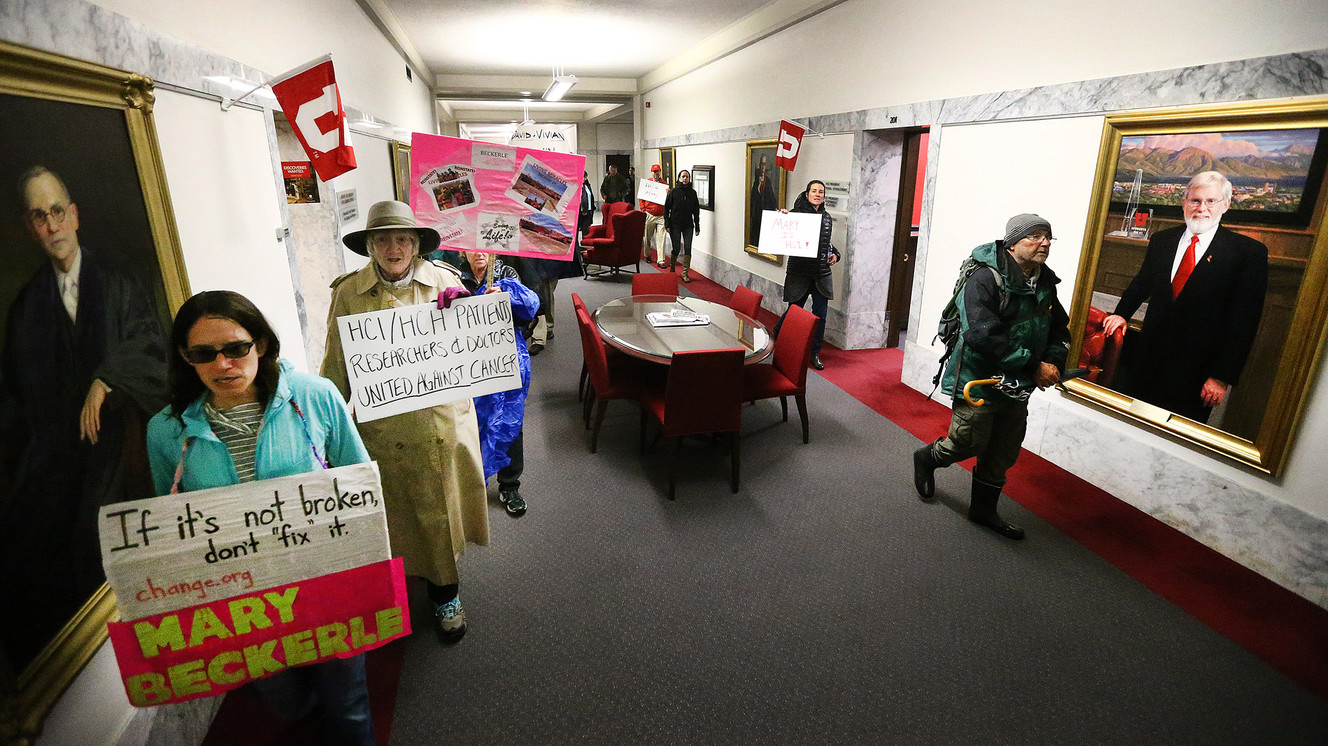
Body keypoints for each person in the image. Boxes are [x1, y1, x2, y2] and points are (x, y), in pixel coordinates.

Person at [146, 290, 375, 745]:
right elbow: (171, 521)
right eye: (204, 353)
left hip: (323, 578)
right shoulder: (166, 431)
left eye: (236, 348)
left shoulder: (315, 396)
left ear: (261, 345)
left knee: (347, 707)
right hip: (242, 598)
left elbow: (359, 480)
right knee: (283, 699)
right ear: (185, 357)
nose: (223, 364)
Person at [0, 165, 169, 671]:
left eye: (57, 211)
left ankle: (116, 658)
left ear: (73, 215)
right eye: (39, 216)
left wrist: (107, 378)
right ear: (31, 227)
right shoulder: (27, 304)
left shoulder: (118, 279)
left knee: (88, 535)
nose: (51, 225)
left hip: (118, 440)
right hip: (52, 448)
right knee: (19, 541)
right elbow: (15, 396)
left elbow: (151, 343)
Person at [321, 200, 488, 644]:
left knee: (441, 509)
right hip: (385, 429)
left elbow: (478, 352)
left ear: (416, 244)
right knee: (397, 514)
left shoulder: (447, 283)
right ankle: (400, 586)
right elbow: (335, 366)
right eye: (383, 239)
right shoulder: (347, 293)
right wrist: (325, 429)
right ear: (370, 246)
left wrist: (476, 306)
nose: (393, 248)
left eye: (402, 239)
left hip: (440, 423)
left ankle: (445, 593)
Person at [912, 214, 1071, 540]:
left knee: (1004, 448)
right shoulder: (984, 277)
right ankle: (927, 458)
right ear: (1013, 241)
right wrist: (1032, 366)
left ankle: (983, 511)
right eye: (1035, 236)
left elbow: (1060, 329)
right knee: (967, 440)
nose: (1044, 243)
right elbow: (981, 334)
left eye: (1048, 237)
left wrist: (1053, 360)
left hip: (1017, 385)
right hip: (978, 378)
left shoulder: (1044, 282)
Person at [1102, 171, 1268, 422]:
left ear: (1226, 205)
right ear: (1184, 203)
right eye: (1195, 200)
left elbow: (1244, 322)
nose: (1202, 208)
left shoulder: (1247, 253)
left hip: (1197, 376)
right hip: (1146, 362)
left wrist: (1221, 377)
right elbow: (1141, 284)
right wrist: (1121, 314)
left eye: (1211, 201)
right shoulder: (1162, 240)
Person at [458, 251, 539, 517]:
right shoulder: (453, 276)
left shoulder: (506, 274)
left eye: (486, 247)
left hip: (505, 361)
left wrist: (505, 297)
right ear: (462, 251)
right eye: (472, 247)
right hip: (467, 363)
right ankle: (473, 484)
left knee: (509, 423)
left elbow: (531, 307)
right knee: (468, 424)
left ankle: (509, 485)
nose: (480, 253)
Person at [773, 180, 840, 370]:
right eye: (814, 191)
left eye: (821, 192)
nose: (818, 194)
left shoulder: (826, 217)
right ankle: (779, 334)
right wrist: (782, 218)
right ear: (807, 193)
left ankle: (814, 352)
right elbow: (782, 231)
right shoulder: (795, 215)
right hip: (800, 273)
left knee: (820, 316)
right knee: (795, 312)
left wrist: (836, 254)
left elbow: (825, 243)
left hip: (821, 274)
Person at [662, 169, 700, 283]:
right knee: (677, 248)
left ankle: (685, 273)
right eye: (683, 176)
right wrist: (667, 224)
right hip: (675, 225)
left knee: (688, 248)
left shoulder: (692, 193)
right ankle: (673, 267)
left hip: (688, 225)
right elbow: (666, 209)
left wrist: (697, 226)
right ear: (679, 178)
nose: (685, 178)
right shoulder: (673, 192)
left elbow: (696, 211)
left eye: (687, 177)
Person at [640, 164, 670, 264]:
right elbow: (641, 198)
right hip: (650, 214)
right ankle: (647, 255)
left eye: (657, 171)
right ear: (651, 172)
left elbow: (668, 200)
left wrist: (668, 194)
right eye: (654, 171)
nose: (656, 173)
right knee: (647, 237)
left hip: (661, 215)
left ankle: (661, 260)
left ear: (660, 172)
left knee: (661, 238)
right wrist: (643, 208)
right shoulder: (647, 183)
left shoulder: (664, 184)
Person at [749, 154, 777, 247]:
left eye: (764, 164)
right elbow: (752, 198)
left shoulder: (767, 181)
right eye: (761, 164)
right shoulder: (756, 180)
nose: (762, 167)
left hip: (765, 215)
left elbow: (771, 198)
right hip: (756, 215)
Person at [577, 174, 597, 244]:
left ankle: (584, 246)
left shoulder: (587, 186)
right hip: (579, 212)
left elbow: (591, 197)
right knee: (576, 231)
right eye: (582, 177)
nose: (584, 179)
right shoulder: (576, 186)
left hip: (588, 212)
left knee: (586, 231)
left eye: (584, 177)